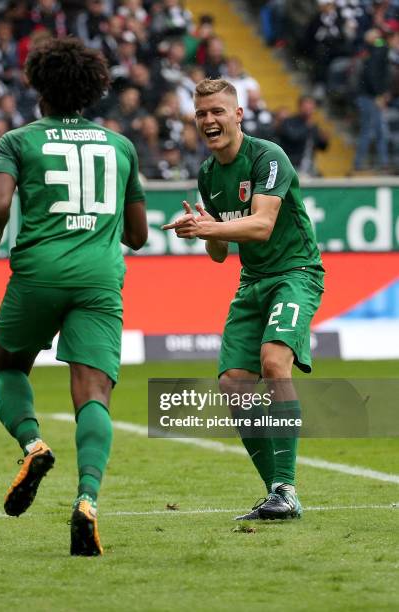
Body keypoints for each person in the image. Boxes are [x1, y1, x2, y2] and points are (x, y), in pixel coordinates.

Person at [0, 37, 147, 555]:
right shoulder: (121, 146)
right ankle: (87, 499)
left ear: (38, 85)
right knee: (93, 394)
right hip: (100, 279)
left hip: (39, 273)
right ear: (93, 90)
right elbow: (138, 236)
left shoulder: (17, 141)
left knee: (10, 368)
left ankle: (33, 443)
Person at [163, 78, 324, 520]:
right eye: (201, 114)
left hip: (296, 274)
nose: (209, 120)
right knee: (234, 383)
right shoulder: (208, 175)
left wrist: (209, 228)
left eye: (217, 111)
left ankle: (287, 487)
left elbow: (262, 225)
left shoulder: (268, 157)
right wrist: (202, 229)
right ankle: (277, 492)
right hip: (252, 281)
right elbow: (219, 255)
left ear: (237, 115)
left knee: (274, 361)